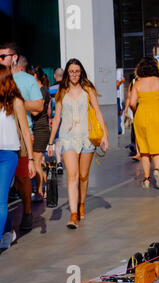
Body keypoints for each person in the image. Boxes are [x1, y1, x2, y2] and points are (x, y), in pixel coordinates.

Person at [48, 58, 109, 229]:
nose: (74, 74)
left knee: (83, 176)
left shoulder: (88, 90)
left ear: (81, 72)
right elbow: (57, 117)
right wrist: (51, 142)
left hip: (87, 138)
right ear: (67, 73)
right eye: (71, 71)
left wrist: (105, 136)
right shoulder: (61, 91)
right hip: (67, 138)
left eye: (77, 71)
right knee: (72, 176)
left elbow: (97, 112)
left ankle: (81, 204)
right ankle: (73, 214)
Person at [0, 43, 43, 235]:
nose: (0, 60)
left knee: (22, 178)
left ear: (14, 57)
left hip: (18, 138)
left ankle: (26, 211)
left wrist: (15, 102)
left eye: (3, 57)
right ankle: (8, 229)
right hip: (5, 139)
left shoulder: (26, 80)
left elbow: (39, 106)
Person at [0, 65, 36, 249]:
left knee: (1, 199)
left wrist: (31, 159)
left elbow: (25, 130)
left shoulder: (16, 102)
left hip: (9, 155)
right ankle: (7, 233)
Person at [129, 56, 159, 190]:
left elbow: (131, 103)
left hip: (141, 117)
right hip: (157, 116)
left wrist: (137, 110)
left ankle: (146, 179)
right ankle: (157, 170)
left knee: (144, 150)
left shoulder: (137, 84)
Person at [30, 66, 51, 201]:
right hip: (39, 128)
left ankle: (39, 191)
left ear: (35, 76)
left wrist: (22, 104)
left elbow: (36, 111)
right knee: (37, 161)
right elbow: (48, 112)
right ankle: (45, 188)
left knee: (37, 162)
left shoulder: (41, 91)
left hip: (40, 129)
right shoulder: (41, 90)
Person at [49, 67, 64, 174]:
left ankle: (59, 162)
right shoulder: (67, 88)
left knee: (58, 139)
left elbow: (49, 106)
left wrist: (49, 117)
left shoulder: (51, 89)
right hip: (67, 117)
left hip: (56, 117)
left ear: (55, 76)